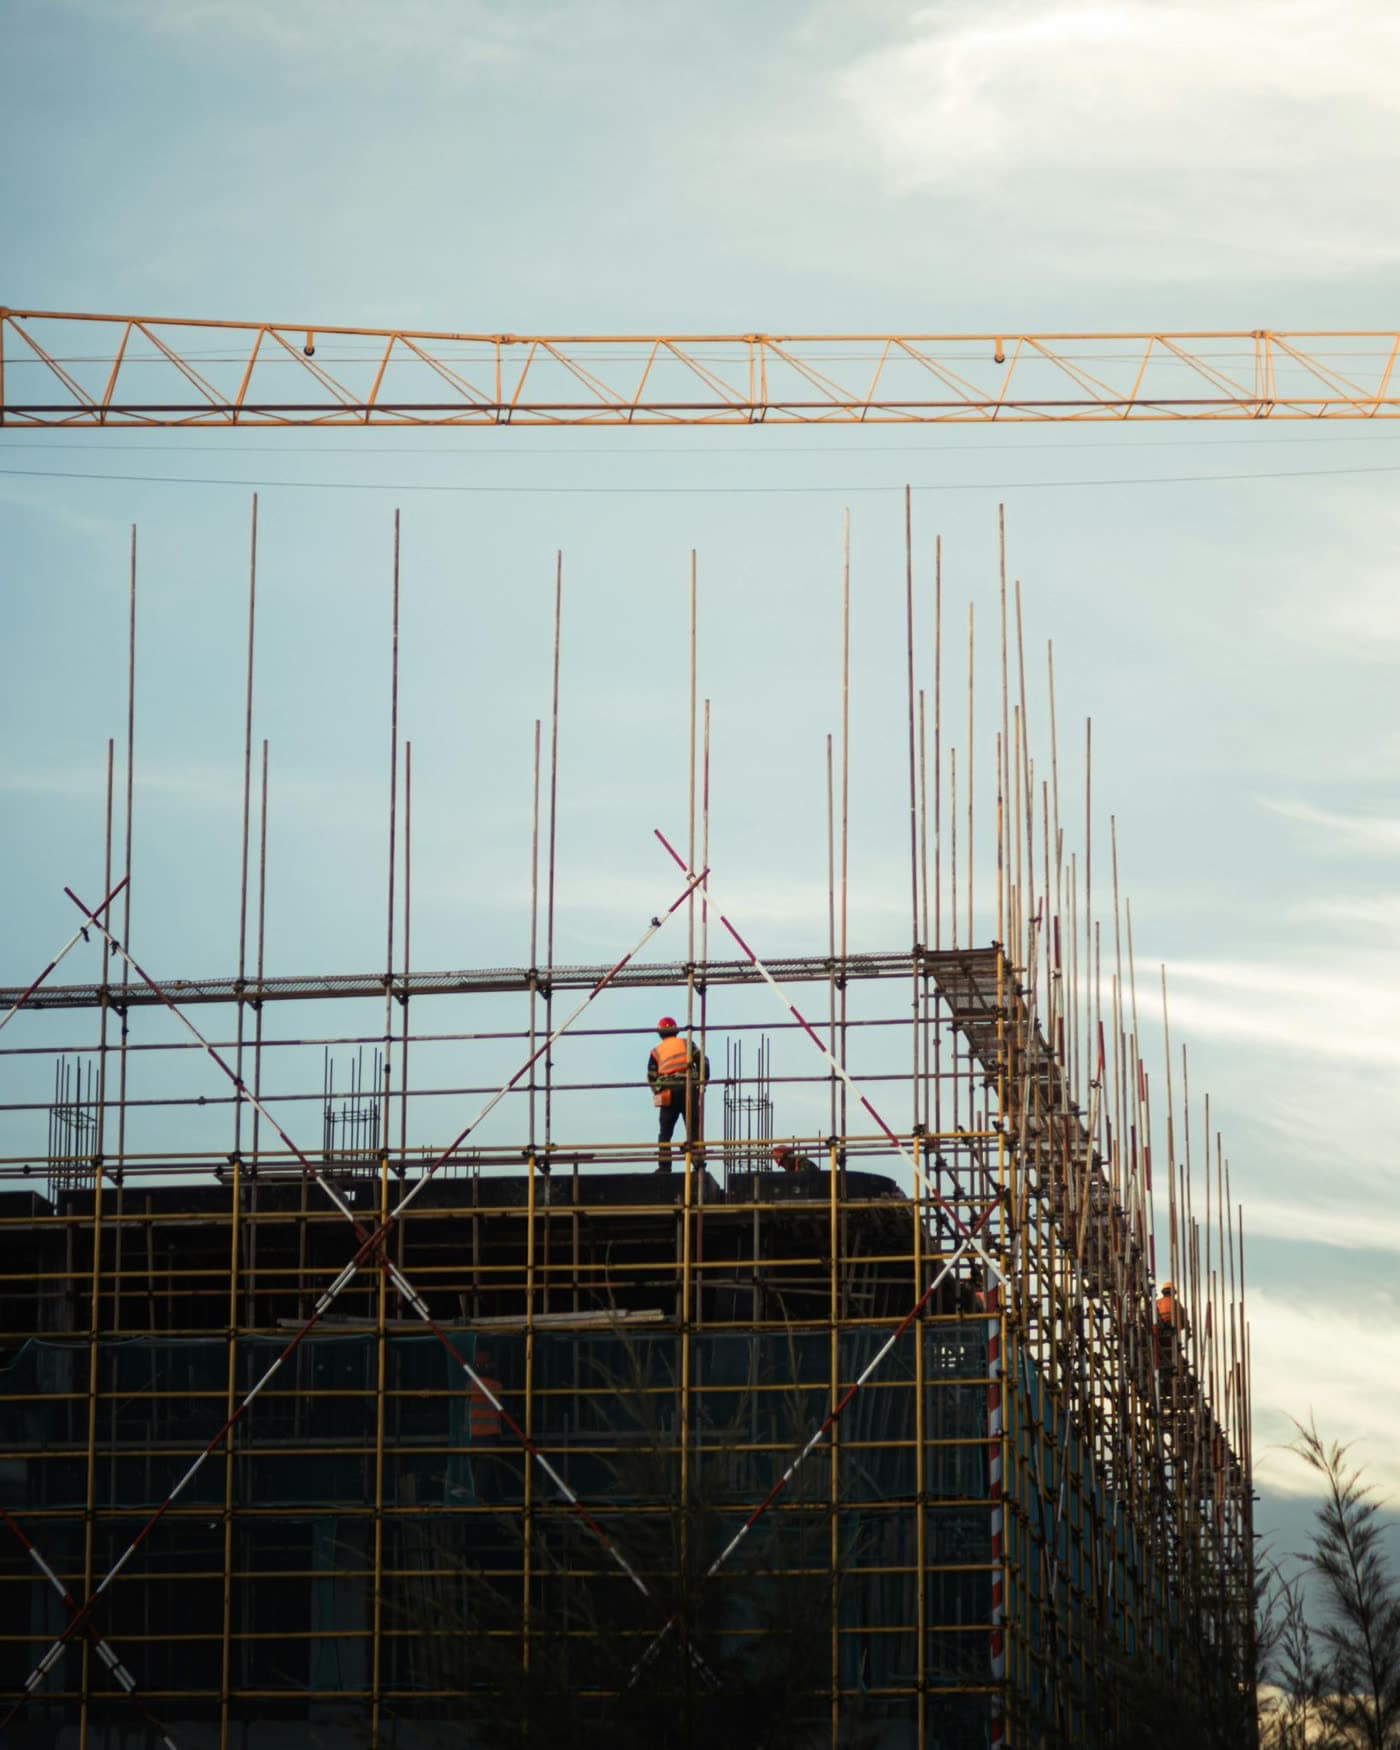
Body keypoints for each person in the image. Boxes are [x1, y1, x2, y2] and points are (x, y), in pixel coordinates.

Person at [647, 1016, 708, 1173]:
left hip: (669, 1093)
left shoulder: (656, 1051)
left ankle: (664, 1167)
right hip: (688, 1089)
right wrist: (702, 1083)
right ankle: (699, 1164)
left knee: (665, 1132)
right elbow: (703, 1061)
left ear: (660, 1033)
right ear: (676, 1030)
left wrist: (658, 1091)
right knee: (694, 1128)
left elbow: (651, 1076)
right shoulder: (685, 1043)